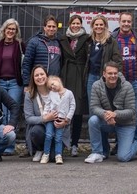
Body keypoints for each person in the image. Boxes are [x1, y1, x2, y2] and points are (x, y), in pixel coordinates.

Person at [85, 62, 137, 163]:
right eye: (110, 73)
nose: (113, 76)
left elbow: (132, 111)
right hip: (107, 121)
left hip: (126, 124)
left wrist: (115, 114)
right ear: (104, 74)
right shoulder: (96, 85)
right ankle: (97, 152)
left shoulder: (127, 86)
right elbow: (94, 107)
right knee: (93, 120)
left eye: (115, 73)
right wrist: (106, 115)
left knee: (123, 157)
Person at [59, 14, 91, 157]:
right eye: (73, 23)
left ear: (81, 24)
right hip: (66, 75)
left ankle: (75, 144)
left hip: (80, 76)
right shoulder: (63, 39)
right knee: (62, 110)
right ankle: (61, 142)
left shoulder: (86, 39)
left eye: (78, 23)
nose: (76, 25)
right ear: (69, 24)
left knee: (77, 111)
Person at [0, 17, 24, 150]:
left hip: (14, 83)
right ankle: (1, 144)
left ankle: (10, 146)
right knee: (2, 113)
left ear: (16, 31)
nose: (10, 31)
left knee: (12, 112)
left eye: (13, 29)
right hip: (0, 82)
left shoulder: (20, 45)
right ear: (4, 30)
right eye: (8, 29)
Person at [24, 65, 64, 161]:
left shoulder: (56, 90)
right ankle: (40, 149)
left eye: (42, 74)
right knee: (36, 131)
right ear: (33, 79)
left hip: (57, 127)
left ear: (47, 76)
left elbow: (67, 110)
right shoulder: (29, 94)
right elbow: (28, 118)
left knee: (53, 158)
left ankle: (53, 151)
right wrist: (45, 118)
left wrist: (65, 122)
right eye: (36, 75)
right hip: (41, 127)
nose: (40, 77)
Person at [115, 11, 137, 138]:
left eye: (128, 21)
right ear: (119, 22)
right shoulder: (113, 38)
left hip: (135, 81)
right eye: (124, 21)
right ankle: (120, 142)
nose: (126, 24)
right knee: (119, 113)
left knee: (136, 113)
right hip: (118, 83)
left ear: (131, 23)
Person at [40, 75, 75, 164]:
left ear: (58, 80)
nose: (52, 87)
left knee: (58, 137)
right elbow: (47, 104)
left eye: (52, 84)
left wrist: (67, 118)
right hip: (51, 118)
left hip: (62, 120)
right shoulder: (51, 94)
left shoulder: (69, 93)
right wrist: (45, 115)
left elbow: (72, 106)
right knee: (48, 135)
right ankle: (46, 154)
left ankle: (58, 155)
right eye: (50, 87)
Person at [22, 15, 62, 85]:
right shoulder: (34, 42)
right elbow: (26, 64)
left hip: (54, 82)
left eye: (54, 26)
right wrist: (26, 83)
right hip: (39, 82)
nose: (51, 29)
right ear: (44, 27)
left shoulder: (59, 43)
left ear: (57, 28)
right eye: (49, 26)